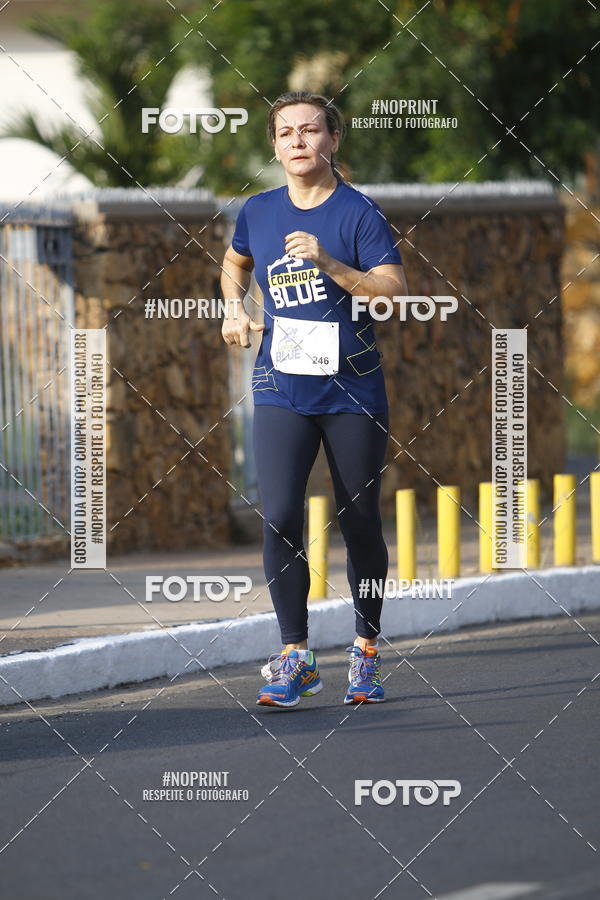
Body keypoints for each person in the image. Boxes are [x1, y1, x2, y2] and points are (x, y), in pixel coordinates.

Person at [220, 90, 408, 708]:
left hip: (351, 387)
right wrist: (233, 310)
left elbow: (391, 292)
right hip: (280, 381)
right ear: (274, 145)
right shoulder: (259, 209)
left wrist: (328, 261)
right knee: (278, 514)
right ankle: (295, 655)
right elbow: (235, 260)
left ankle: (365, 651)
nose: (298, 141)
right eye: (285, 133)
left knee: (358, 520)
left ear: (333, 141)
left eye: (310, 131)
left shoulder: (357, 213)